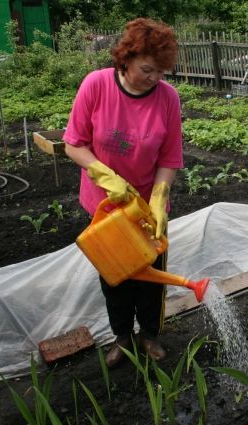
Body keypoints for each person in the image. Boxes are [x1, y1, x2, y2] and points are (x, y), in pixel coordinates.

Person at [63, 18, 183, 368]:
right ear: (125, 59)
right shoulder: (96, 86)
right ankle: (121, 337)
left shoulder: (168, 99)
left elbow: (169, 156)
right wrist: (105, 175)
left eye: (161, 72)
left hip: (146, 207)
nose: (155, 79)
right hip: (105, 206)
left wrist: (159, 198)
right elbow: (74, 143)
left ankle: (148, 335)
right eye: (147, 70)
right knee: (115, 276)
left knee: (150, 276)